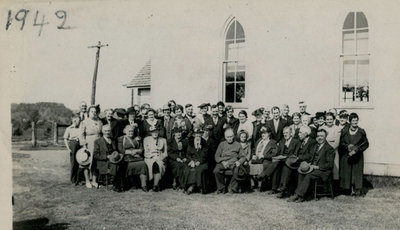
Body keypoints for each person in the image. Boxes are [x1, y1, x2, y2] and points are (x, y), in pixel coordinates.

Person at [288, 129, 335, 202]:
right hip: (312, 168)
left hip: (323, 171)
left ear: (325, 137)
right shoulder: (315, 146)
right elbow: (311, 157)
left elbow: (330, 165)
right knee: (301, 171)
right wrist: (309, 163)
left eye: (322, 136)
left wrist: (317, 167)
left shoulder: (329, 149)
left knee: (308, 175)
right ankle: (297, 194)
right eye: (318, 136)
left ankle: (300, 195)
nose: (319, 138)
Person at [339, 113, 369, 196]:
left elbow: (366, 144)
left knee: (356, 173)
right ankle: (348, 190)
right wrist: (347, 147)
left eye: (356, 120)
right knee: (347, 172)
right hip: (347, 155)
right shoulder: (344, 131)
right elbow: (341, 143)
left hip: (357, 156)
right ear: (350, 121)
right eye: (353, 120)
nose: (355, 122)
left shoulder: (361, 131)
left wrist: (357, 150)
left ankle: (356, 190)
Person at [213, 128, 247, 193]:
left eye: (231, 136)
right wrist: (222, 162)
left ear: (233, 136)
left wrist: (239, 162)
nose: (229, 138)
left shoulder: (237, 144)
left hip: (233, 163)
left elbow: (243, 157)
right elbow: (216, 157)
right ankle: (221, 188)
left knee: (237, 171)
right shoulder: (221, 144)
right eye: (228, 137)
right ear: (225, 137)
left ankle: (233, 188)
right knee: (216, 171)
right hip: (223, 163)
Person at [93, 125, 124, 192]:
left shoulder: (113, 140)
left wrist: (116, 155)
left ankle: (120, 184)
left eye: (109, 131)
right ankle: (114, 184)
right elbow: (95, 155)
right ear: (102, 131)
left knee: (122, 163)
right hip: (104, 161)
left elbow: (117, 150)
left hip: (114, 159)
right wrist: (106, 156)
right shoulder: (97, 141)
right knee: (115, 165)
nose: (107, 132)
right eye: (105, 131)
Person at [117, 125, 148, 192]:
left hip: (137, 156)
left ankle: (143, 185)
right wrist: (131, 152)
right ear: (125, 131)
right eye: (129, 131)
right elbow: (121, 150)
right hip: (127, 157)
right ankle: (132, 184)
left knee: (143, 164)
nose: (131, 132)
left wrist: (136, 151)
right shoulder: (121, 139)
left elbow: (141, 149)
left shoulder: (137, 138)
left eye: (132, 131)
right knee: (129, 166)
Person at [80, 105, 103, 188]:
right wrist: (83, 145)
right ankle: (87, 181)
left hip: (98, 143)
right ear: (89, 113)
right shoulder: (84, 122)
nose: (94, 113)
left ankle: (94, 181)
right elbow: (81, 134)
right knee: (87, 161)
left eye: (95, 111)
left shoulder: (100, 121)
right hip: (89, 143)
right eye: (92, 111)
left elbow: (101, 133)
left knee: (96, 162)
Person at [275, 127, 301, 198]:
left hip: (292, 162)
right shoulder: (282, 141)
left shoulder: (296, 142)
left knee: (286, 167)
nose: (285, 134)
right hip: (282, 160)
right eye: (284, 133)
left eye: (286, 133)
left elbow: (295, 155)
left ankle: (282, 189)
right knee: (274, 162)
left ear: (291, 133)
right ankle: (263, 176)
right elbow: (279, 152)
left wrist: (285, 157)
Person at [183, 128, 209, 194]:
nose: (198, 137)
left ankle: (196, 187)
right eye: (196, 136)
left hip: (202, 162)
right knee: (187, 169)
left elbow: (205, 155)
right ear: (194, 135)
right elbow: (188, 154)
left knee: (199, 170)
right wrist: (191, 161)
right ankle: (188, 186)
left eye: (199, 136)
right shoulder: (190, 143)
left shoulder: (204, 143)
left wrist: (199, 161)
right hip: (192, 161)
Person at [253, 126, 279, 191]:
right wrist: (253, 155)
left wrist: (264, 156)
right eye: (262, 133)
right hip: (256, 159)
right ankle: (253, 184)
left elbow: (274, 154)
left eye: (265, 133)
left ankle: (263, 184)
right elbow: (254, 149)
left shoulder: (273, 142)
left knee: (266, 164)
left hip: (266, 159)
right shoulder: (259, 141)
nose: (263, 134)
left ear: (269, 134)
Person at [143, 126, 168, 192]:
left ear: (158, 132)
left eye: (156, 131)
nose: (155, 133)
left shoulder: (163, 140)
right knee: (151, 164)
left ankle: (155, 185)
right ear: (151, 132)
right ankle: (150, 183)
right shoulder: (146, 139)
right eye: (153, 132)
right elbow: (145, 152)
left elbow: (165, 153)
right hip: (149, 157)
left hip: (159, 157)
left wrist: (162, 157)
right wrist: (151, 156)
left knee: (158, 164)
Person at [319, 112, 342, 181]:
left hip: (333, 152)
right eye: (327, 119)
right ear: (325, 120)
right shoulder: (321, 128)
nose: (329, 121)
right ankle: (324, 186)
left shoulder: (337, 129)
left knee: (334, 170)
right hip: (323, 152)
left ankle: (333, 188)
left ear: (334, 120)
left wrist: (329, 152)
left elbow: (337, 143)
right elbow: (319, 140)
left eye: (331, 119)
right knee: (323, 168)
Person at [63, 115, 81, 185]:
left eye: (78, 121)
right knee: (73, 162)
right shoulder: (69, 128)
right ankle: (73, 180)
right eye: (75, 120)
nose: (76, 122)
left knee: (81, 161)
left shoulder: (81, 128)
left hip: (80, 144)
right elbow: (65, 139)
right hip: (73, 144)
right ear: (73, 120)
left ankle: (79, 179)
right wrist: (68, 149)